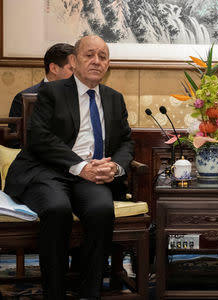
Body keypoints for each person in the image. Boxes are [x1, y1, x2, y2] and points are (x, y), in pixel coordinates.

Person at [4, 35, 134, 300]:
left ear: (108, 64)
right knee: (57, 209)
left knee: (100, 210)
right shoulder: (51, 93)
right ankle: (55, 291)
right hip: (47, 171)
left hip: (93, 176)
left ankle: (89, 291)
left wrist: (116, 168)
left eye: (103, 56)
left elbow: (126, 142)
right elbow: (40, 138)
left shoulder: (114, 98)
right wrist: (80, 166)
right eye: (89, 55)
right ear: (74, 61)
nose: (96, 61)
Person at [8, 43, 74, 127]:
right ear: (54, 68)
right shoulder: (23, 99)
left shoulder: (83, 95)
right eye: (72, 69)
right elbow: (17, 138)